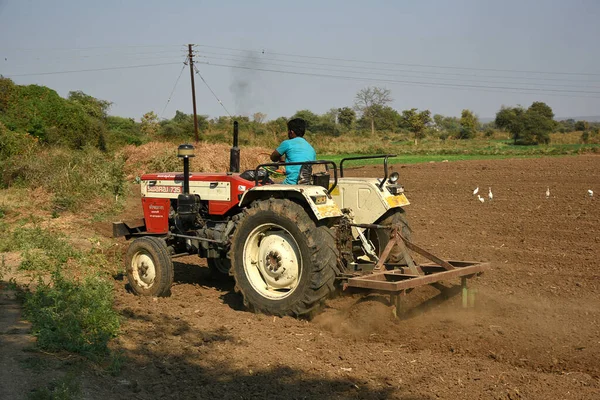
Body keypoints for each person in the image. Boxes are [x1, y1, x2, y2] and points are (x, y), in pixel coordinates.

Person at [270, 118, 316, 184]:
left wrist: (279, 158)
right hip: (305, 182)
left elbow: (273, 158)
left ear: (291, 132)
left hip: (291, 183)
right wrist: (284, 161)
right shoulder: (311, 148)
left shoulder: (287, 143)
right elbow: (302, 165)